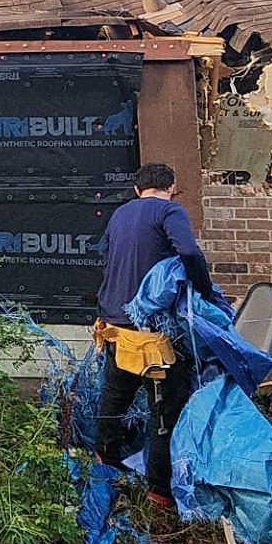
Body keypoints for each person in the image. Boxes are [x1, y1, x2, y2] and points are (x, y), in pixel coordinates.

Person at [93, 161, 215, 506]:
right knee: (164, 409)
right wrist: (205, 292)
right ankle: (159, 490)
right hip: (153, 333)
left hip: (115, 325)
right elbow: (189, 251)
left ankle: (105, 463)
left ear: (136, 189)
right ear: (171, 187)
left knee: (114, 399)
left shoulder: (120, 215)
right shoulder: (169, 211)